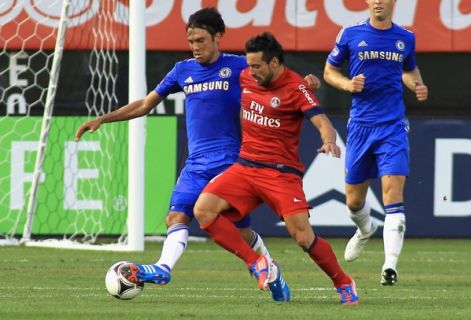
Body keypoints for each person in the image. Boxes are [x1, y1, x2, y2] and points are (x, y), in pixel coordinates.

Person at [75, 8, 318, 302]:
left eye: (201, 40)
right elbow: (145, 104)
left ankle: (272, 272)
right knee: (175, 216)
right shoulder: (182, 70)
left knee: (240, 233)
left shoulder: (240, 68)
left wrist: (304, 83)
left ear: (218, 38)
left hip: (231, 163)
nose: (195, 47)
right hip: (196, 163)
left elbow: (275, 79)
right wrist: (104, 118)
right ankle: (164, 268)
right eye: (191, 41)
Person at [194, 32, 359, 305]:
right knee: (203, 211)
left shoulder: (296, 87)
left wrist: (329, 141)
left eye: (257, 66)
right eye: (249, 65)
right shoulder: (245, 75)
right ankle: (258, 263)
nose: (251, 71)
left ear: (273, 63)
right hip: (245, 167)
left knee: (303, 237)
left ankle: (343, 281)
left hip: (281, 173)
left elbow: (322, 122)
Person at [323, 0, 428, 285]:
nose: (378, 1)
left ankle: (389, 267)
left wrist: (416, 84)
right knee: (354, 201)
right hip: (360, 128)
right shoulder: (349, 34)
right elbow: (329, 71)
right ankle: (364, 229)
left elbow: (409, 69)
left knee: (393, 197)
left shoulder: (405, 37)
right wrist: (347, 85)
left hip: (393, 126)